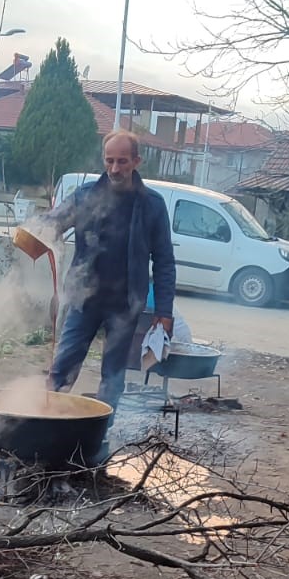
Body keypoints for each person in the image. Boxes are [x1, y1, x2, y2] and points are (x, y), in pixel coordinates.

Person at [41, 130, 176, 409]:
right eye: (109, 160)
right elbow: (52, 224)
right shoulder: (84, 197)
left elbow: (164, 261)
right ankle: (44, 422)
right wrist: (35, 231)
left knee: (113, 378)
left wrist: (164, 312)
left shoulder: (152, 205)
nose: (115, 169)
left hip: (124, 305)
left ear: (137, 161)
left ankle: (100, 436)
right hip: (83, 300)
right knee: (61, 369)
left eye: (122, 161)